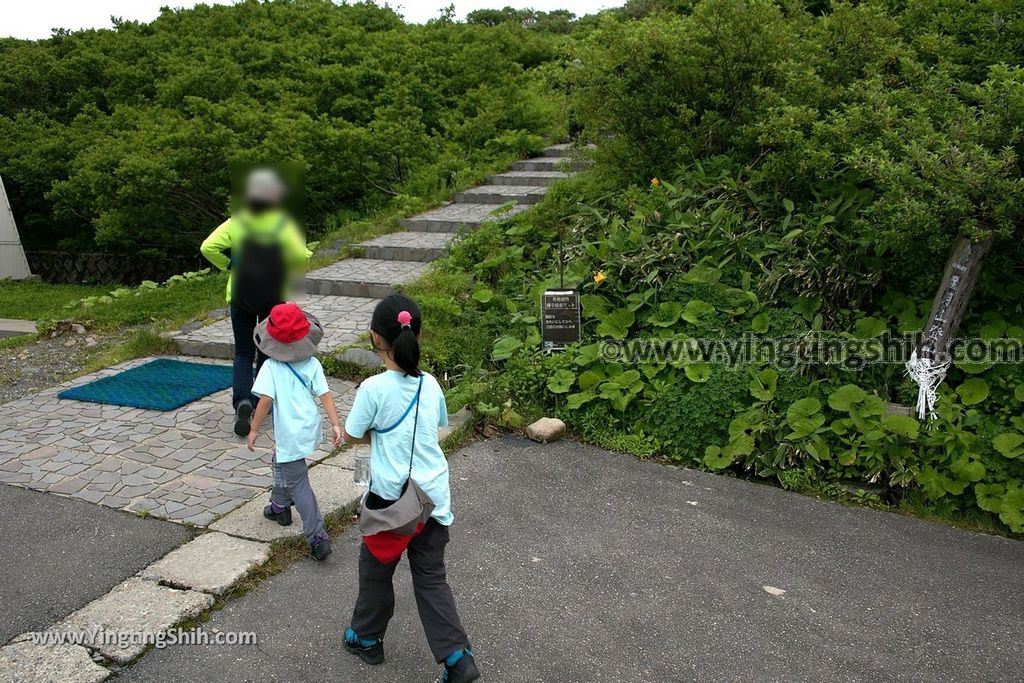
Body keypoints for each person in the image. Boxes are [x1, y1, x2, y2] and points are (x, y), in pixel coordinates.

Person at [342, 295, 479, 683]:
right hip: (432, 496)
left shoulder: (372, 389)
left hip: (392, 501)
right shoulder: (431, 383)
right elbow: (437, 426)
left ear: (374, 338)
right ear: (418, 334)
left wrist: (375, 432)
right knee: (431, 577)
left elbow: (353, 436)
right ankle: (457, 659)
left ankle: (366, 638)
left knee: (375, 570)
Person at [200, 168, 311, 436]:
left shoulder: (236, 222)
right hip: (272, 297)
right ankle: (262, 400)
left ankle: (242, 401)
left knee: (242, 352)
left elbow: (207, 246)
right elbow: (301, 255)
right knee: (268, 350)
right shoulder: (283, 224)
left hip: (241, 294)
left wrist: (229, 264)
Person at [246, 302, 339, 561]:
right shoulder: (312, 363)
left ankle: (317, 536)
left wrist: (253, 429)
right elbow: (325, 395)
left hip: (289, 433)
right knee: (282, 462)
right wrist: (334, 424)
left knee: (298, 481)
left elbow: (264, 402)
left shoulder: (271, 368)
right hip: (309, 427)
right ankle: (279, 506)